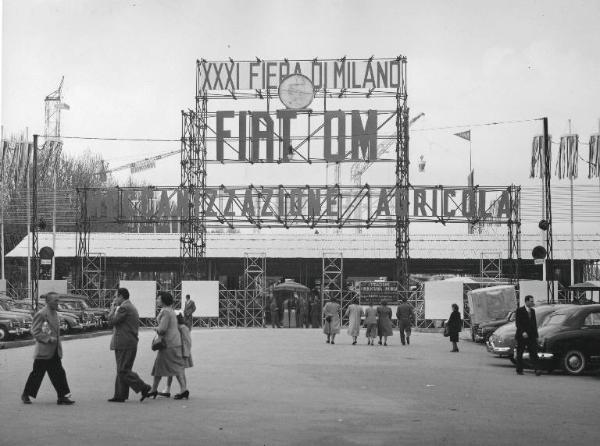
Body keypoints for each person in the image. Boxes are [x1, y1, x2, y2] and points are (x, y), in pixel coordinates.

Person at [21, 292, 75, 405]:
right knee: (37, 374)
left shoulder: (55, 313)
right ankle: (26, 394)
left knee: (59, 373)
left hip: (54, 350)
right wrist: (48, 339)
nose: (58, 302)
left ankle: (62, 397)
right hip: (44, 351)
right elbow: (35, 331)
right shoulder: (42, 314)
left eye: (58, 300)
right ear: (48, 301)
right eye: (55, 300)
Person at [107, 287, 152, 403]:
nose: (114, 299)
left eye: (116, 296)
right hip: (127, 342)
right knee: (122, 369)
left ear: (122, 296)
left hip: (125, 343)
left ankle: (144, 387)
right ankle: (120, 395)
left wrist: (112, 309)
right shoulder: (129, 306)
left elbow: (111, 321)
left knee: (123, 370)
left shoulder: (124, 308)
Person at [148, 292, 187, 399]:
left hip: (168, 344)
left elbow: (162, 329)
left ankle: (154, 389)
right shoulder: (171, 311)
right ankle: (183, 389)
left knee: (159, 366)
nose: (156, 300)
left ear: (163, 301)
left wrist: (156, 328)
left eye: (158, 299)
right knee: (176, 366)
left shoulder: (165, 311)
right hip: (175, 342)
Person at [161, 313, 193, 399]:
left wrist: (185, 354)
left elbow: (187, 342)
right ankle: (169, 389)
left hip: (182, 353)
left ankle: (183, 390)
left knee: (180, 371)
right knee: (173, 370)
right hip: (178, 352)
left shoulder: (182, 328)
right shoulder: (179, 328)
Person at [515, 295, 542, 376]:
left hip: (531, 336)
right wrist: (523, 332)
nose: (532, 302)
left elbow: (534, 324)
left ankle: (537, 369)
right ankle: (519, 369)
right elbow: (518, 323)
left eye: (533, 301)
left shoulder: (532, 311)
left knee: (534, 352)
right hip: (522, 336)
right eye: (531, 301)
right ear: (526, 301)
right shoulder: (520, 310)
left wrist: (536, 336)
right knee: (520, 353)